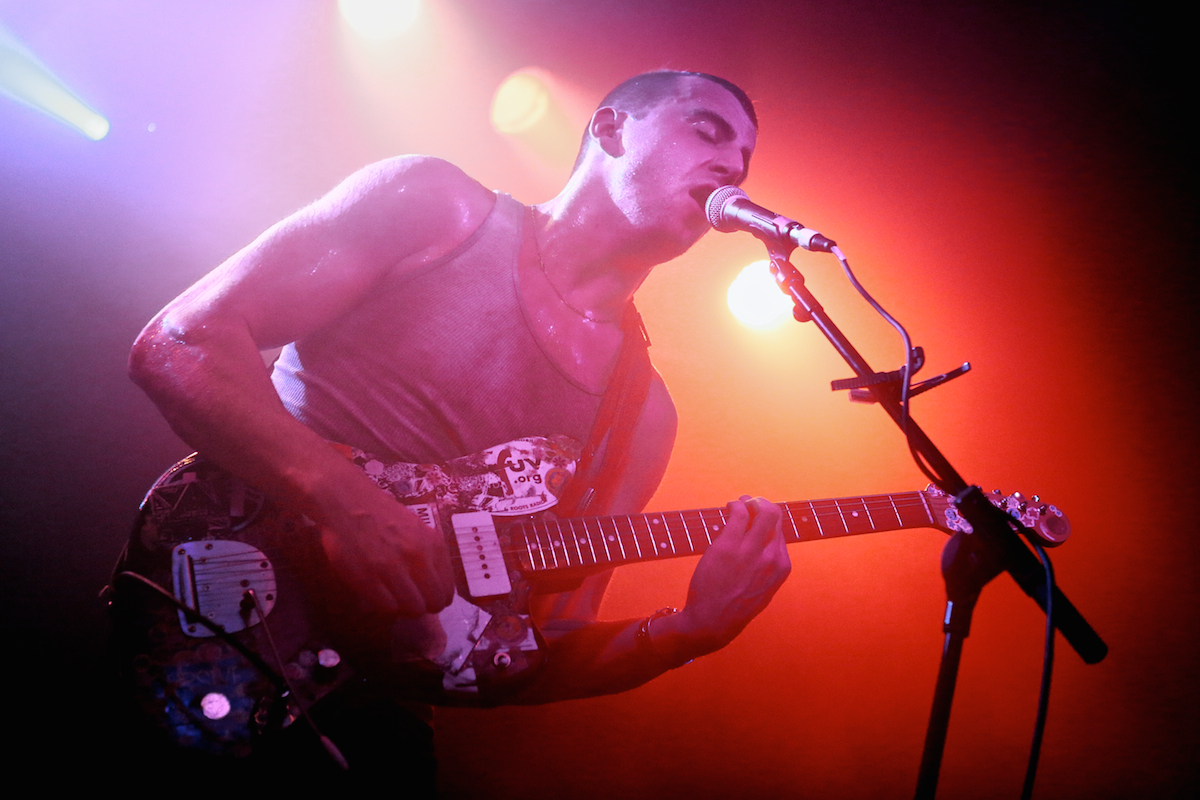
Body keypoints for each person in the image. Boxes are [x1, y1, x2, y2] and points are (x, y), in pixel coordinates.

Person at [127, 70, 792, 787]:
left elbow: (533, 650)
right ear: (609, 130)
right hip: (220, 602)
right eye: (708, 130)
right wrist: (347, 505)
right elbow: (181, 344)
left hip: (367, 723)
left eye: (745, 159)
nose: (731, 165)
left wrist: (685, 634)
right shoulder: (437, 209)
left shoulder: (644, 414)